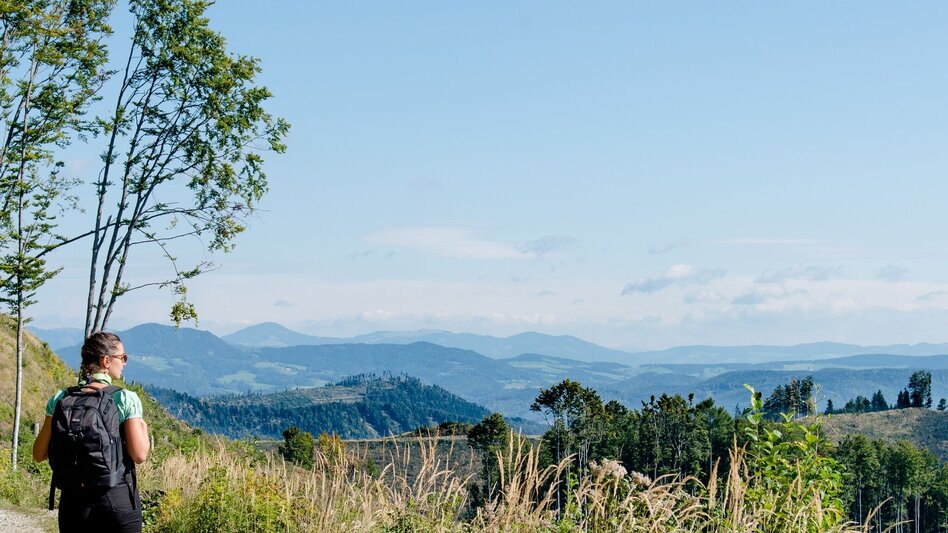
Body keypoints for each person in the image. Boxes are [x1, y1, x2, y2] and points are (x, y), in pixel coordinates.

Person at [32, 331, 150, 533]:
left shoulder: (61, 398)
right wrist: (143, 428)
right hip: (116, 499)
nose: (124, 363)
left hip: (73, 504)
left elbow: (38, 454)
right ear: (106, 360)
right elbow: (139, 455)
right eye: (122, 357)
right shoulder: (125, 398)